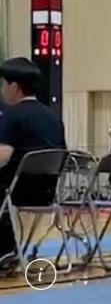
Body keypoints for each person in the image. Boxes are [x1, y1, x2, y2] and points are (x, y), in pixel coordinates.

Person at [0, 58, 67, 269]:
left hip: (15, 192)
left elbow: (2, 157)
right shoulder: (54, 117)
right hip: (47, 193)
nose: (2, 90)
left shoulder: (12, 116)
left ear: (14, 87)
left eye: (3, 84)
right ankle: (8, 250)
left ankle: (4, 249)